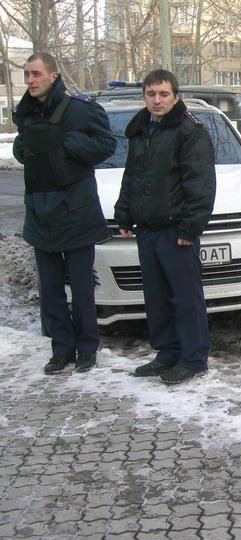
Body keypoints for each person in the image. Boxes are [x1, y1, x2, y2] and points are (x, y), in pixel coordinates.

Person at [12, 52, 116, 375]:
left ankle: (87, 347)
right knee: (51, 291)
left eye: (36, 74)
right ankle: (61, 348)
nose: (30, 80)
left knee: (82, 288)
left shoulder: (80, 109)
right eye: (27, 74)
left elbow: (106, 144)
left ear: (53, 76)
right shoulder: (26, 111)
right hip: (40, 213)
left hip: (76, 213)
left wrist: (66, 143)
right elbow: (22, 148)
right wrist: (27, 148)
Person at [114, 69, 216, 384]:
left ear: (175, 96)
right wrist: (124, 213)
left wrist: (190, 228)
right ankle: (168, 352)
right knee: (156, 297)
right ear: (143, 96)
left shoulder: (189, 131)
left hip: (176, 231)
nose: (157, 100)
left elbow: (200, 184)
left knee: (186, 299)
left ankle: (193, 359)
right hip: (147, 229)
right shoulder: (140, 129)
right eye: (151, 94)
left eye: (163, 94)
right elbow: (132, 176)